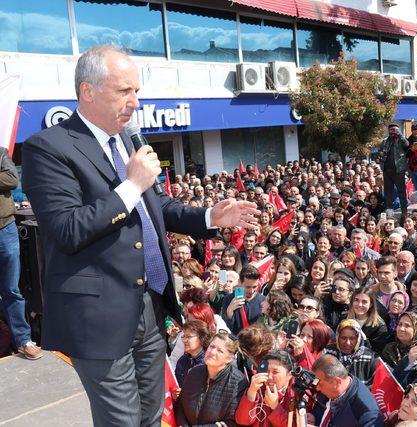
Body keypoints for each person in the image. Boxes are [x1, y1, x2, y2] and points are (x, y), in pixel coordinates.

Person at [21, 45, 260, 426]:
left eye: (136, 91)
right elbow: (67, 229)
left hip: (150, 303)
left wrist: (211, 215)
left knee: (151, 415)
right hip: (98, 315)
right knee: (122, 420)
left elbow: (159, 208)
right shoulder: (48, 149)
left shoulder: (130, 141)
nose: (135, 102)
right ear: (88, 91)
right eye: (124, 91)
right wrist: (130, 186)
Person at [0, 146, 42, 360]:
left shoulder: (0, 153)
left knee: (11, 289)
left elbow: (11, 179)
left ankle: (24, 340)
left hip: (4, 229)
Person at [175, 332, 248, 426]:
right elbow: (180, 405)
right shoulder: (194, 372)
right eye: (212, 346)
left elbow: (232, 423)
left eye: (220, 351)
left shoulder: (239, 383)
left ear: (230, 358)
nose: (212, 352)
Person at [311, 354, 384, 427]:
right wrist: (313, 416)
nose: (317, 388)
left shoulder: (368, 412)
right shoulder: (329, 383)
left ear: (337, 382)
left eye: (320, 384)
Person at [236, 351, 298, 427]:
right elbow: (242, 421)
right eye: (267, 371)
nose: (269, 377)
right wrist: (251, 391)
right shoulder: (258, 386)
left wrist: (275, 406)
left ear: (289, 375)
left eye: (275, 372)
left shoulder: (298, 394)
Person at [324, 319, 380, 386]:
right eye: (343, 338)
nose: (348, 343)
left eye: (352, 338)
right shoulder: (327, 353)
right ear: (338, 337)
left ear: (358, 338)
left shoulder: (369, 357)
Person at [221, 265, 265, 335]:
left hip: (256, 343)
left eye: (255, 287)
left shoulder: (263, 301)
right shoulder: (229, 299)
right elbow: (225, 329)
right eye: (248, 287)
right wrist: (229, 312)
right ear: (239, 282)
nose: (251, 291)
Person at [379, 124, 410, 218]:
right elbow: (380, 152)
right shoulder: (385, 141)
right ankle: (389, 212)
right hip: (387, 170)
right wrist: (381, 154)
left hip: (398, 169)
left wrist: (399, 134)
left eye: (394, 130)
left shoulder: (400, 140)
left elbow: (407, 145)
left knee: (401, 191)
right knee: (388, 192)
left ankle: (404, 212)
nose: (392, 132)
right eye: (391, 130)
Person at [347, 289, 389, 355]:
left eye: (364, 302)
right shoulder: (344, 318)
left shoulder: (379, 326)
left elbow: (376, 353)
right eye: (356, 300)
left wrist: (364, 339)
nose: (360, 304)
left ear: (371, 304)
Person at [174, 320, 211, 387]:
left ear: (202, 338)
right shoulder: (183, 359)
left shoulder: (208, 363)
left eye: (188, 337)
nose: (184, 340)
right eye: (184, 336)